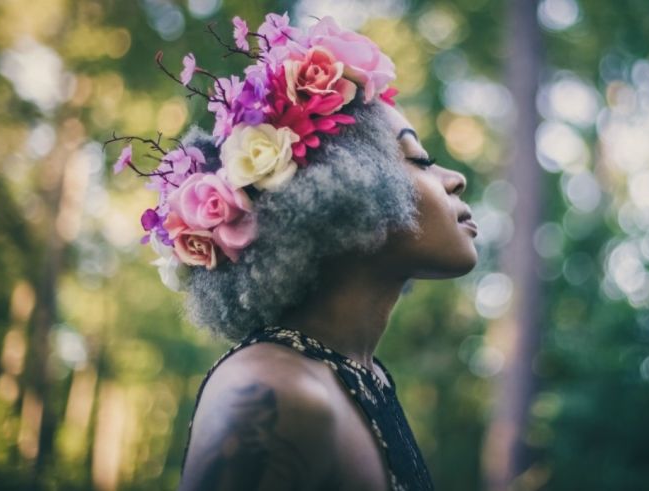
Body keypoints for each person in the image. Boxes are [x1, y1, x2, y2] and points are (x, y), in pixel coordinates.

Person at [130, 14, 481, 491]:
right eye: (418, 159)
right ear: (345, 192)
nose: (454, 179)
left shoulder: (366, 380)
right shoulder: (271, 392)